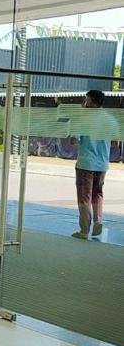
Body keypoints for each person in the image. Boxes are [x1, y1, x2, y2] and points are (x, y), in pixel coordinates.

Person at [71, 89, 112, 239]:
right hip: (102, 164)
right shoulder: (109, 119)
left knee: (84, 197)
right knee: (97, 194)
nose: (83, 103)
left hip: (86, 164)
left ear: (92, 102)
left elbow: (74, 140)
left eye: (86, 100)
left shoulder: (84, 119)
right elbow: (115, 141)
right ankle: (98, 221)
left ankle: (84, 230)